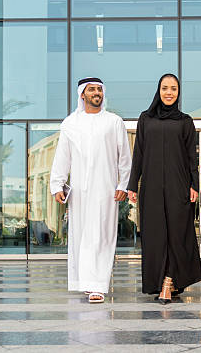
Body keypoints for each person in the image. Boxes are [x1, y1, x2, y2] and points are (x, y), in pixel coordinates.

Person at [50, 77, 131, 304]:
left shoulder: (114, 122)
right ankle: (85, 282)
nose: (97, 93)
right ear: (82, 95)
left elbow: (124, 157)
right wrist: (57, 185)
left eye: (99, 89)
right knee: (82, 235)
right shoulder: (70, 123)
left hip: (106, 190)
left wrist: (123, 184)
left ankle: (98, 285)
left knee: (102, 236)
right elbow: (62, 157)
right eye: (92, 89)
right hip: (80, 192)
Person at [127, 73, 201, 304]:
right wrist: (133, 184)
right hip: (150, 187)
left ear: (178, 93)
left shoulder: (185, 121)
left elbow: (192, 157)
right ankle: (160, 282)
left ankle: (169, 283)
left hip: (178, 186)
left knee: (177, 235)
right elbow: (138, 154)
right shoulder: (145, 119)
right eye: (165, 88)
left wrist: (194, 184)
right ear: (158, 91)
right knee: (155, 236)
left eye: (173, 88)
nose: (169, 92)